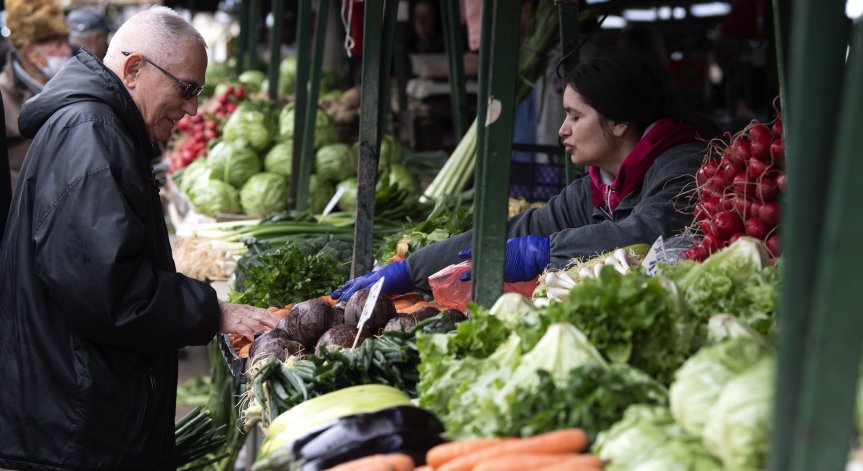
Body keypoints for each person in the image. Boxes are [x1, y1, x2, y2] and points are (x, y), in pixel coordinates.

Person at [0, 6, 279, 469]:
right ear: (133, 70)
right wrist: (211, 309)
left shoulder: (99, 129)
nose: (191, 108)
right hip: (74, 434)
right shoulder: (90, 135)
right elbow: (111, 291)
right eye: (186, 88)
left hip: (74, 419)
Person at [332, 49, 715, 302]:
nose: (562, 130)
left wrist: (545, 252)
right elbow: (521, 229)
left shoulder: (684, 164)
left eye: (575, 117)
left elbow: (648, 230)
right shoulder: (597, 188)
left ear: (619, 122)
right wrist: (410, 269)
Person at [0, 0, 73, 192]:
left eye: (66, 42)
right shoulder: (3, 94)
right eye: (58, 44)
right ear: (31, 52)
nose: (67, 51)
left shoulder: (70, 86)